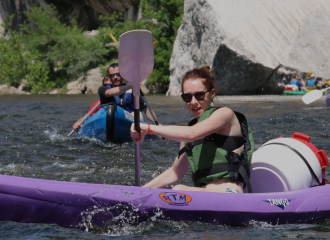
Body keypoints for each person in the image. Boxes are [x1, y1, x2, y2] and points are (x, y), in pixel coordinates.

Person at [131, 66, 254, 193]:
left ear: (212, 93)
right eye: (187, 97)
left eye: (199, 95)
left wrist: (147, 128)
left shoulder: (225, 114)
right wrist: (139, 192)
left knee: (179, 190)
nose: (193, 102)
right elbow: (174, 173)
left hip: (228, 192)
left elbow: (191, 134)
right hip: (202, 193)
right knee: (177, 189)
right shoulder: (189, 132)